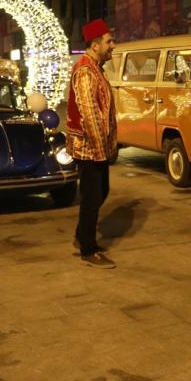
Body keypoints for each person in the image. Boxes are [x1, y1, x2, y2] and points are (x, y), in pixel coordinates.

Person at [66, 19, 118, 268]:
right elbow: (89, 113)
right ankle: (88, 249)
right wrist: (100, 150)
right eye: (109, 41)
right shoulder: (86, 71)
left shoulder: (96, 68)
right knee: (92, 197)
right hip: (89, 148)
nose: (113, 46)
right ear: (95, 44)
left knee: (100, 192)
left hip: (97, 147)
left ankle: (81, 235)